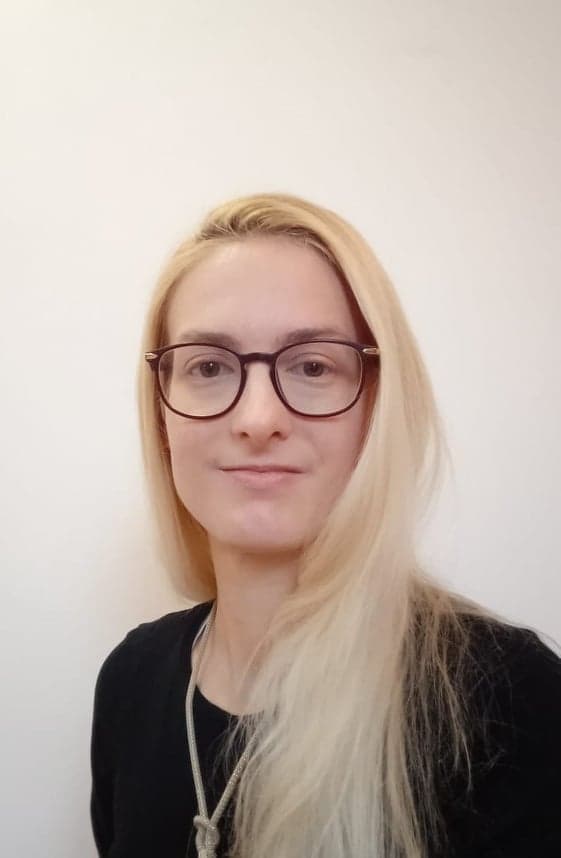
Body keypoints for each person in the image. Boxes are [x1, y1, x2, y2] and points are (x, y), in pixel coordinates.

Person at [90, 193, 561, 858]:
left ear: (377, 407)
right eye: (208, 366)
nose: (258, 419)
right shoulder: (130, 681)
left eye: (313, 365)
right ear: (162, 416)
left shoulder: (509, 703)